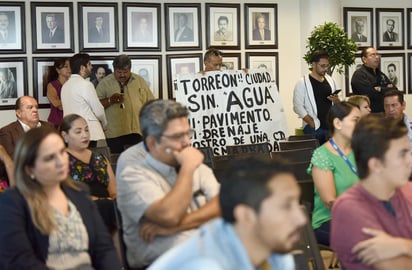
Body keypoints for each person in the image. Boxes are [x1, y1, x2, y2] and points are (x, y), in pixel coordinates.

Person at [149, 157, 307, 270]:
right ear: (246, 215)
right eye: (286, 206)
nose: (301, 219)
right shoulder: (204, 265)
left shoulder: (273, 248)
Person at [116, 100, 220, 268]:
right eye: (178, 136)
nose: (187, 142)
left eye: (188, 133)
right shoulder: (134, 174)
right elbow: (169, 215)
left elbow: (224, 205)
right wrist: (187, 169)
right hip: (163, 263)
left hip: (207, 255)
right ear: (152, 143)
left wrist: (178, 226)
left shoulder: (196, 165)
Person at [0, 127, 121, 269]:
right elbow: (19, 261)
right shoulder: (13, 202)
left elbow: (104, 247)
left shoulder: (79, 193)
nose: (61, 161)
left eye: (62, 152)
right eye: (50, 158)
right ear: (29, 168)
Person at [331, 115, 412, 269]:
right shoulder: (348, 209)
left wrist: (403, 246)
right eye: (402, 154)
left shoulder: (408, 190)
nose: (410, 160)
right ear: (376, 165)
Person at [308, 102, 361, 246]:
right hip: (329, 220)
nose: (361, 126)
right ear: (338, 123)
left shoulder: (360, 151)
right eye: (355, 120)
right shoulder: (322, 155)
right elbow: (329, 201)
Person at [60, 114, 117, 233]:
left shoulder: (100, 158)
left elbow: (113, 191)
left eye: (87, 130)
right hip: (80, 212)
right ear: (65, 135)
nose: (85, 135)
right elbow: (66, 194)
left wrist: (112, 201)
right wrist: (102, 202)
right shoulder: (61, 160)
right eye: (78, 131)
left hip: (108, 209)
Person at [96, 54, 154, 153]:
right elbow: (96, 106)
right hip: (115, 134)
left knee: (137, 163)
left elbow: (151, 103)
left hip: (137, 132)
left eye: (125, 72)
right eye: (119, 72)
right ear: (114, 69)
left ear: (130, 69)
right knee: (117, 163)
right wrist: (110, 100)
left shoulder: (139, 81)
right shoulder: (104, 83)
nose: (122, 75)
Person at [0, 96, 53, 187]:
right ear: (19, 113)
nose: (35, 110)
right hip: (24, 180)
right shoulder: (7, 132)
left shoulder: (49, 127)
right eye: (30, 107)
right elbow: (13, 160)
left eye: (36, 107)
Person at [293, 50, 340, 145]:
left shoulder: (330, 80)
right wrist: (311, 122)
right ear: (313, 64)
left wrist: (336, 100)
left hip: (330, 126)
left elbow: (338, 102)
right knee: (317, 157)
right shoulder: (302, 82)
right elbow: (297, 106)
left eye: (327, 66)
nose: (325, 68)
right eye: (322, 66)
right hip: (314, 128)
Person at [61, 53, 107, 148]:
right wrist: (105, 123)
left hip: (72, 133)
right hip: (88, 132)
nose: (91, 67)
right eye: (89, 64)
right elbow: (98, 111)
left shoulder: (65, 86)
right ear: (82, 68)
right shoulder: (86, 84)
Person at [351, 47, 396, 113]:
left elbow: (395, 90)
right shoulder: (359, 75)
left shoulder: (380, 74)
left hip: (383, 113)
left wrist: (380, 89)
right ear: (364, 59)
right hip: (368, 115)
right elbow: (371, 95)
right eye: (373, 55)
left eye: (377, 55)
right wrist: (386, 89)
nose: (377, 57)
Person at [46, 58, 71, 128]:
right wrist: (72, 103)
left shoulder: (73, 84)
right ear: (58, 70)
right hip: (56, 123)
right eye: (66, 67)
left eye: (70, 66)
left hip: (71, 122)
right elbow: (57, 104)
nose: (69, 69)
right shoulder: (52, 85)